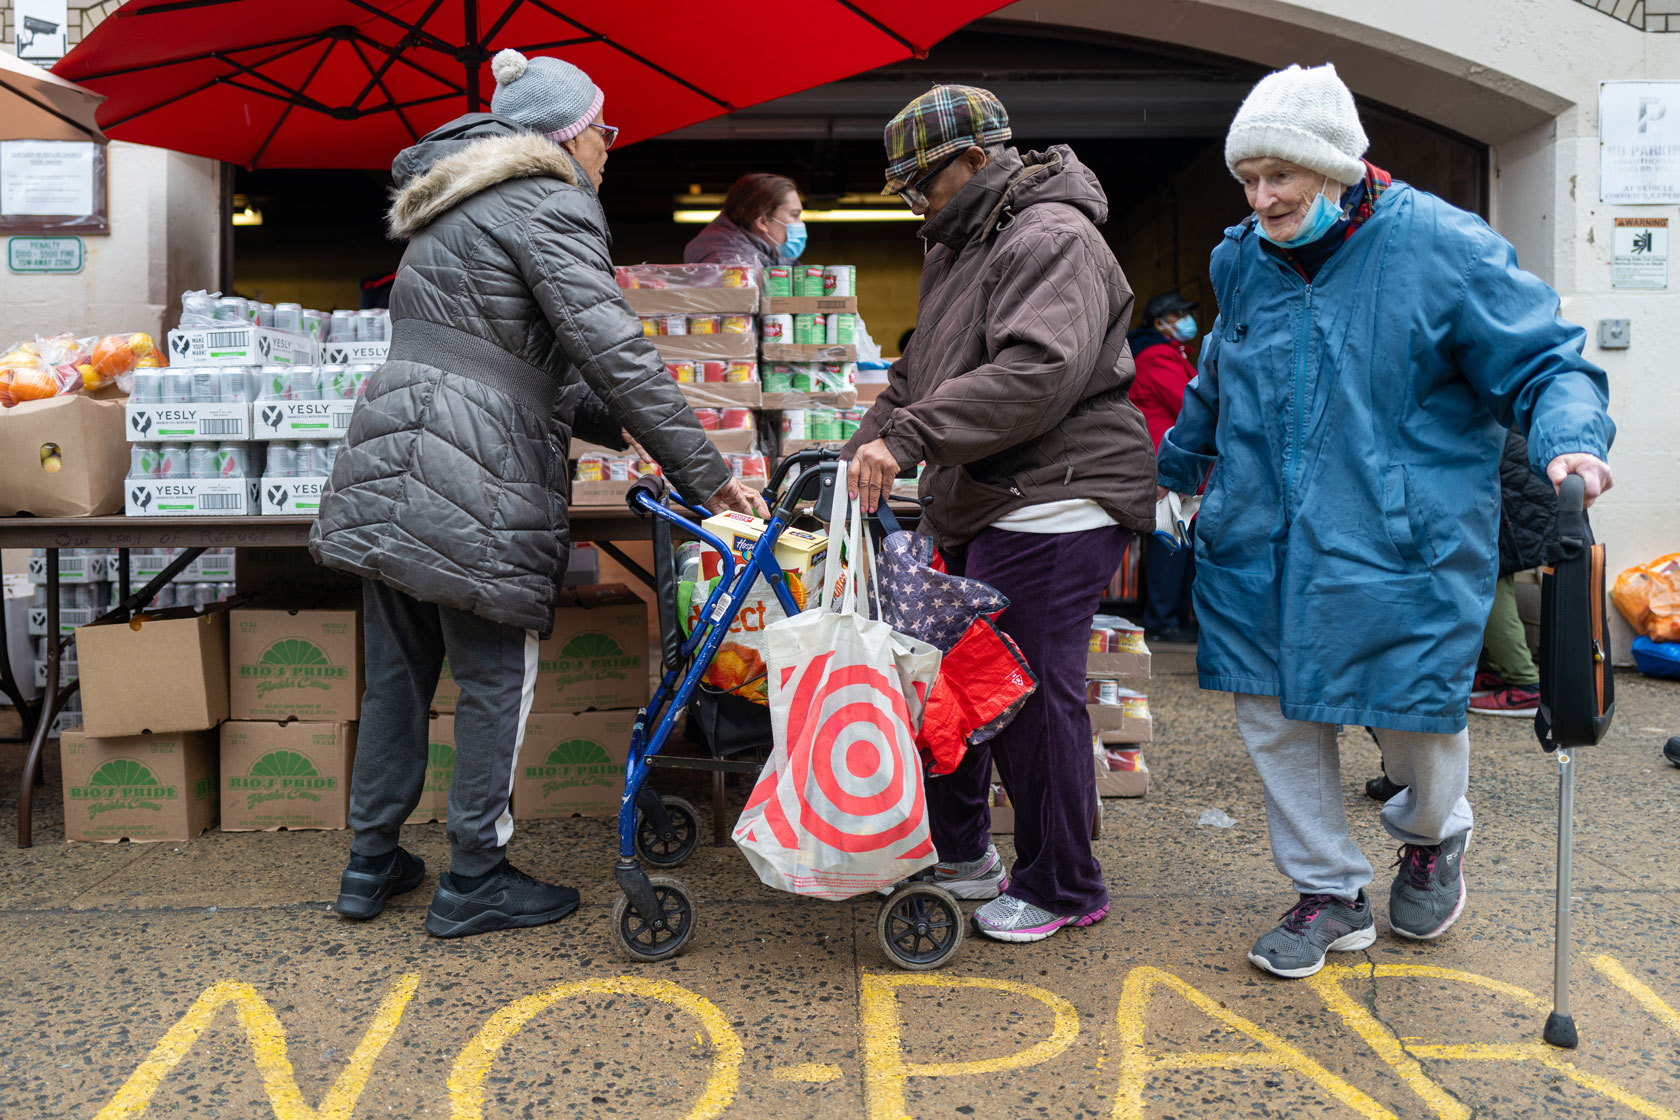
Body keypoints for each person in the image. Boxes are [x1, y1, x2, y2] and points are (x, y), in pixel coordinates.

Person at [1155, 63, 1613, 979]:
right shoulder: (1240, 256)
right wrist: (1175, 466)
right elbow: (1220, 368)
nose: (1262, 197)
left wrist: (1569, 438)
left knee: (1415, 716)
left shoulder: (1446, 247)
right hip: (1261, 534)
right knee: (1275, 716)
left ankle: (1436, 834)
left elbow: (1547, 361)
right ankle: (1329, 890)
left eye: (1279, 176)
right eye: (1248, 179)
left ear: (1334, 165)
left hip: (1399, 540)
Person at [311, 49, 766, 939]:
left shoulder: (453, 203)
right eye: (604, 127)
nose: (611, 144)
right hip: (472, 468)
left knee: (397, 673)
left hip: (392, 447)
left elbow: (506, 350)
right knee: (492, 674)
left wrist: (617, 426)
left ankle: (371, 863)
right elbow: (614, 349)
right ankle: (474, 874)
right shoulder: (551, 200)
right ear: (563, 135)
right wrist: (708, 478)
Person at [844, 85, 1155, 943]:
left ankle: (1063, 884)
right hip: (992, 495)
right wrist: (857, 450)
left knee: (1022, 690)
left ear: (977, 162)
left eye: (923, 184)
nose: (914, 203)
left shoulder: (1051, 236)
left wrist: (907, 441)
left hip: (1057, 491)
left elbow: (1035, 375)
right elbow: (915, 379)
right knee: (960, 678)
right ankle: (965, 853)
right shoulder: (959, 245)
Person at [1127, 290, 1201, 643]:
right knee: (1171, 540)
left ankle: (1171, 617)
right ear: (1159, 323)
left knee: (1175, 539)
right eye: (1178, 314)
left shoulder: (1166, 353)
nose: (1187, 320)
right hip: (1168, 461)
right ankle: (1163, 621)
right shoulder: (1158, 356)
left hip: (1171, 459)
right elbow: (1190, 401)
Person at [683, 173, 804, 268]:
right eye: (794, 215)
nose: (800, 223)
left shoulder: (753, 259)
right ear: (762, 222)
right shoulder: (734, 265)